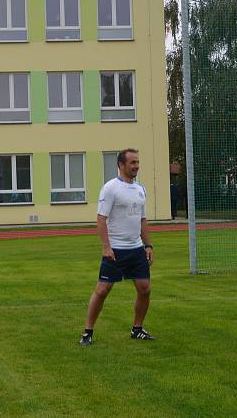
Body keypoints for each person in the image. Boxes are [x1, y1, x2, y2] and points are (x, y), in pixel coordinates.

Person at [80, 148, 155, 346]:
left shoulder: (140, 189)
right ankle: (87, 332)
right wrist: (106, 247)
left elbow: (142, 220)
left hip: (136, 249)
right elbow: (100, 220)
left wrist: (148, 246)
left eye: (137, 162)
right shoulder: (110, 188)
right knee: (103, 290)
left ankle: (137, 329)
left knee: (145, 289)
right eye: (132, 163)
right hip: (116, 249)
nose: (136, 166)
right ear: (121, 165)